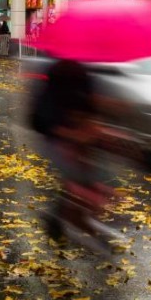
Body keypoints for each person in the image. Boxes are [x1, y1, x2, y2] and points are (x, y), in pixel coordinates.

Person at [31, 59, 124, 250]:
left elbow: (91, 106)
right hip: (59, 143)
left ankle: (63, 220)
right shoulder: (54, 76)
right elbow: (42, 120)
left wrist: (102, 115)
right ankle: (68, 223)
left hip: (83, 143)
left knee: (92, 181)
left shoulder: (86, 74)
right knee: (77, 181)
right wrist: (72, 134)